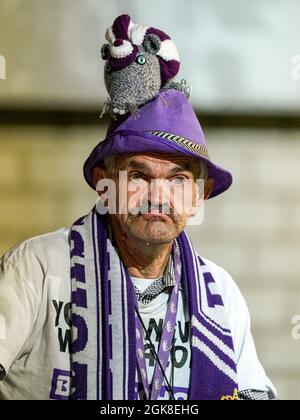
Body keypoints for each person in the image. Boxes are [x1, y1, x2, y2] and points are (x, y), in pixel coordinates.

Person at [0, 14, 276, 400]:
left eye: (179, 179)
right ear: (104, 181)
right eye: (139, 175)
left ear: (200, 193)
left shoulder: (221, 294)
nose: (158, 196)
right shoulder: (39, 268)